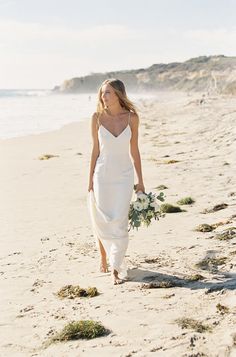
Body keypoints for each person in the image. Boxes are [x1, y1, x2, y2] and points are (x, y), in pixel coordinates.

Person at [87, 78, 145, 285]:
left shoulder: (132, 118)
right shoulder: (96, 118)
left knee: (119, 220)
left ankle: (115, 267)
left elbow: (135, 151)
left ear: (119, 94)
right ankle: (104, 256)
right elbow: (95, 151)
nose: (103, 97)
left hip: (124, 176)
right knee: (103, 218)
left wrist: (140, 182)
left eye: (108, 93)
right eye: (102, 93)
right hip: (102, 175)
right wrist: (90, 181)